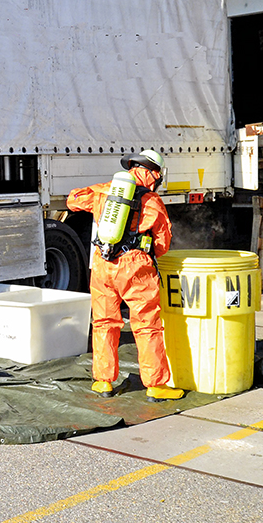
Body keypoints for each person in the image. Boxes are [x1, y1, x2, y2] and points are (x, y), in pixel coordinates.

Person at [67, 149, 184, 401]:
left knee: (104, 323)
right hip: (135, 266)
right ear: (151, 173)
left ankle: (103, 382)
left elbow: (73, 200)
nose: (157, 181)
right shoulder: (152, 201)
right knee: (146, 325)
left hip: (102, 262)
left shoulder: (105, 190)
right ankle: (155, 386)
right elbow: (163, 243)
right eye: (158, 176)